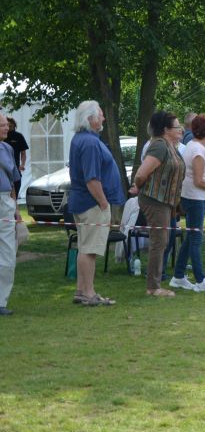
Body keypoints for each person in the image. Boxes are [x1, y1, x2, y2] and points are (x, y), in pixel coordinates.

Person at [66, 101, 124, 307]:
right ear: (90, 119)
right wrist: (103, 203)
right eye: (100, 114)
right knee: (89, 249)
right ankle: (88, 293)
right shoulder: (90, 143)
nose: (103, 118)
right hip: (92, 203)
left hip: (83, 202)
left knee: (85, 246)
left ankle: (81, 291)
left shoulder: (81, 139)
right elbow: (92, 179)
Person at [129, 111, 186, 297]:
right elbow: (140, 174)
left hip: (165, 201)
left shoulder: (170, 146)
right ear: (166, 130)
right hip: (155, 200)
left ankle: (155, 283)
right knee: (159, 241)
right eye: (177, 126)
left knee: (163, 241)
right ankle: (153, 287)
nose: (181, 129)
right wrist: (139, 187)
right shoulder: (160, 146)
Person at [170, 114, 205, 292]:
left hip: (194, 196)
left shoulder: (195, 146)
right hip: (194, 198)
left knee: (191, 236)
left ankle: (178, 276)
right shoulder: (198, 150)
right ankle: (201, 280)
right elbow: (198, 180)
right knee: (196, 238)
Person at [0, 113, 20, 315]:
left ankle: (1, 301)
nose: (6, 128)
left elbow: (13, 180)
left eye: (6, 125)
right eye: (2, 125)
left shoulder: (8, 149)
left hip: (5, 201)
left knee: (7, 252)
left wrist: (15, 208)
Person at [4, 117, 27, 195]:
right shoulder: (2, 136)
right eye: (6, 125)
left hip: (15, 168)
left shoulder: (19, 136)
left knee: (15, 191)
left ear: (14, 125)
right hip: (4, 171)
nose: (8, 127)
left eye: (10, 125)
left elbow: (23, 153)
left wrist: (22, 164)